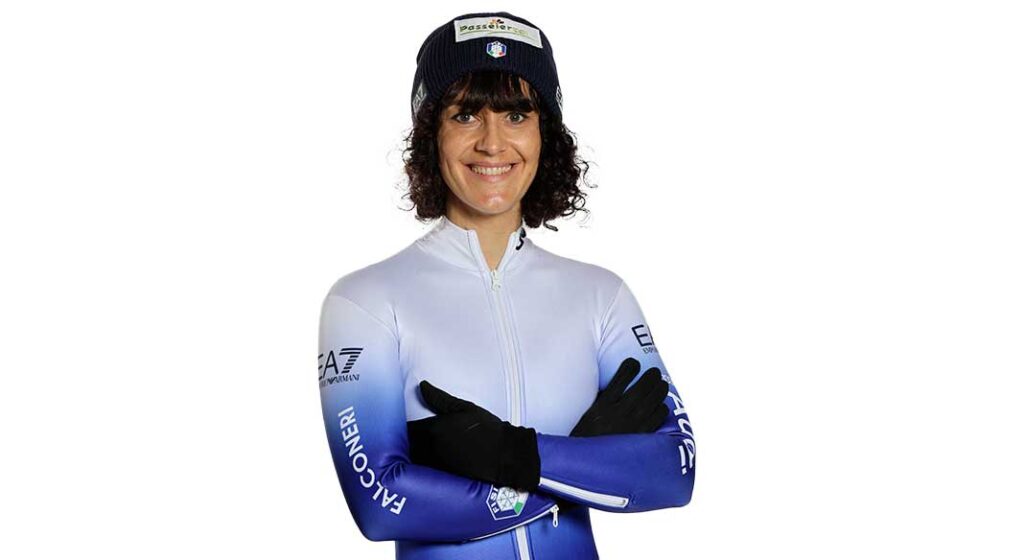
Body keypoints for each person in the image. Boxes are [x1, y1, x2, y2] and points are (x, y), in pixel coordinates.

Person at [318, 11, 696, 559]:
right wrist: (571, 465)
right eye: (465, 114)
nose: (493, 143)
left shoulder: (602, 297)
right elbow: (381, 505)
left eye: (517, 114)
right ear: (431, 134)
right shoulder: (366, 302)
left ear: (545, 134)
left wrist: (516, 454)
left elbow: (675, 473)